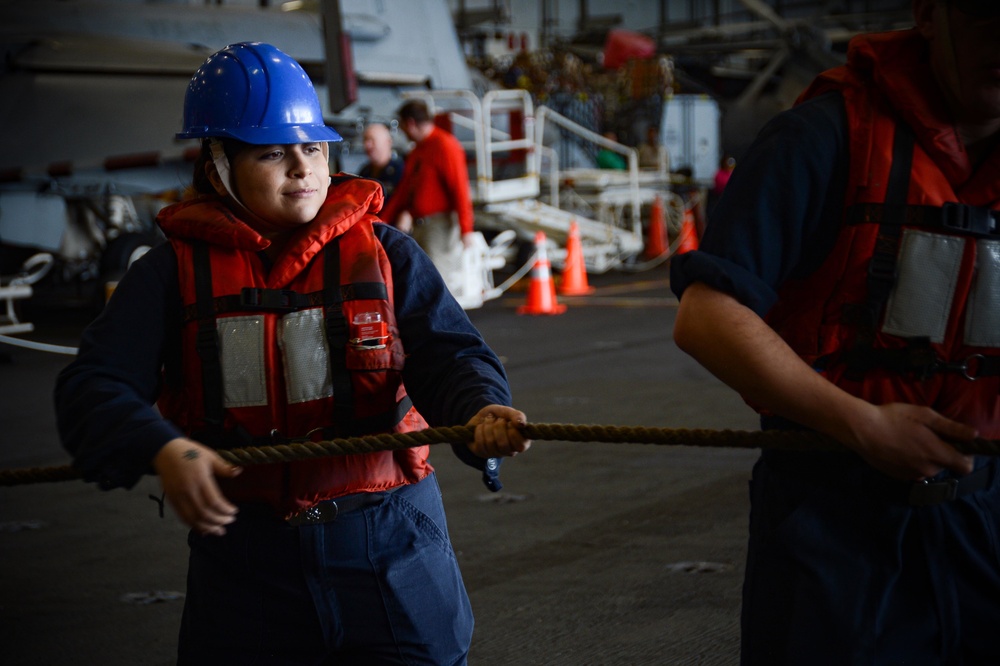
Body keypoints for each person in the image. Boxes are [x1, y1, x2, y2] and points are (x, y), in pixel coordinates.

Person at [54, 42, 531, 665]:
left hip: (390, 546)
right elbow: (93, 386)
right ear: (217, 163)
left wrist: (483, 411)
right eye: (272, 153)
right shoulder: (169, 273)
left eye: (312, 148)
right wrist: (158, 445)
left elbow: (450, 356)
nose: (302, 169)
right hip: (246, 567)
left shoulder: (387, 255)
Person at [671, 1, 1000, 664]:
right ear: (929, 15)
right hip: (837, 529)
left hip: (986, 524)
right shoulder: (824, 136)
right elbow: (707, 314)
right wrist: (861, 424)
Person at [378, 99, 475, 291]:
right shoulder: (419, 150)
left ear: (411, 123)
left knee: (438, 285)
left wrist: (466, 229)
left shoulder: (445, 146)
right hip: (421, 227)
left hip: (439, 227)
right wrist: (382, 222)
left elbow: (460, 189)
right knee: (424, 284)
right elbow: (405, 190)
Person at [358, 121, 404, 204]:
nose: (367, 145)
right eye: (365, 140)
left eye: (372, 140)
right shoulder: (364, 172)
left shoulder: (402, 170)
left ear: (388, 142)